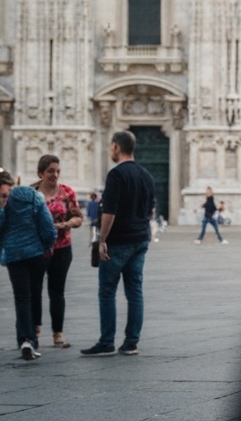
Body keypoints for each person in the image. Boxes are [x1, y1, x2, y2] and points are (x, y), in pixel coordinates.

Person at [82, 131, 156, 357]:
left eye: (110, 147)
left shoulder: (116, 175)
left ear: (116, 147)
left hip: (119, 241)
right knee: (135, 291)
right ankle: (131, 342)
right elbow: (151, 211)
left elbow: (109, 212)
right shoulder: (147, 175)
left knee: (107, 292)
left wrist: (102, 239)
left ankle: (107, 342)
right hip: (140, 239)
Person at [0, 170, 56, 359]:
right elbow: (48, 227)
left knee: (22, 297)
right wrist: (46, 246)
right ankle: (32, 339)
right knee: (34, 295)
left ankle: (25, 339)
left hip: (15, 255)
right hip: (36, 254)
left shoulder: (4, 202)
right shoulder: (33, 196)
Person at [32, 155, 83, 349]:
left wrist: (65, 224)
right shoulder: (31, 193)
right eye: (51, 171)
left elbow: (78, 217)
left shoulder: (66, 192)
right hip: (36, 249)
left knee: (57, 291)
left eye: (57, 171)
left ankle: (58, 334)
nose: (55, 175)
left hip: (62, 248)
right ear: (41, 173)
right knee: (34, 291)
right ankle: (34, 332)